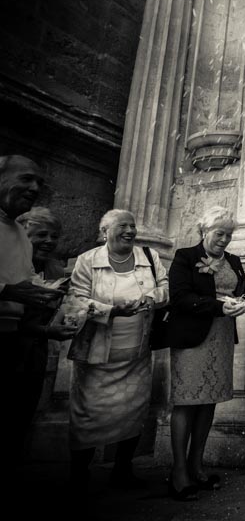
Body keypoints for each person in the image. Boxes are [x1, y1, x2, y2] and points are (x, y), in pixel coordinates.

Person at [66, 209, 169, 491]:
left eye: (133, 226)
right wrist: (112, 310)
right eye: (123, 226)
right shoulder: (88, 260)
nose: (130, 231)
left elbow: (164, 287)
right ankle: (79, 474)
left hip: (136, 354)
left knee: (132, 413)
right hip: (97, 354)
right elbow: (76, 299)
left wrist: (151, 298)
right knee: (88, 416)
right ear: (105, 232)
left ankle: (123, 469)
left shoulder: (149, 257)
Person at [167, 206, 245, 499]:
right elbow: (179, 297)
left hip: (222, 336)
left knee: (209, 401)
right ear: (205, 231)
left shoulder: (234, 260)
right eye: (220, 233)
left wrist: (242, 303)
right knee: (187, 400)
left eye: (229, 234)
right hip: (193, 337)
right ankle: (179, 471)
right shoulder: (185, 257)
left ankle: (197, 465)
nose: (225, 239)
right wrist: (219, 306)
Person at [0, 156, 64, 474]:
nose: (35, 188)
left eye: (40, 182)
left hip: (15, 343)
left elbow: (27, 289)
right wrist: (10, 291)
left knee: (14, 422)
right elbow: (16, 289)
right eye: (26, 179)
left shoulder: (18, 236)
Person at [12, 208, 76, 465]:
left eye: (54, 236)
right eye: (41, 235)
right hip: (10, 346)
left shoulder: (54, 269)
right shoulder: (11, 265)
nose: (49, 241)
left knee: (23, 415)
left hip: (34, 352)